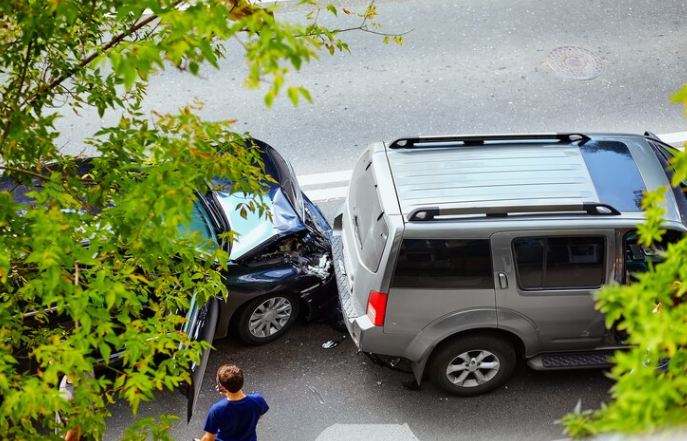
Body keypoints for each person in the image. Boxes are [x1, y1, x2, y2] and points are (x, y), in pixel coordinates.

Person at [194, 364, 269, 441]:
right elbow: (260, 415)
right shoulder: (257, 399)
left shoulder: (217, 409)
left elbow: (209, 438)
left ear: (222, 387)